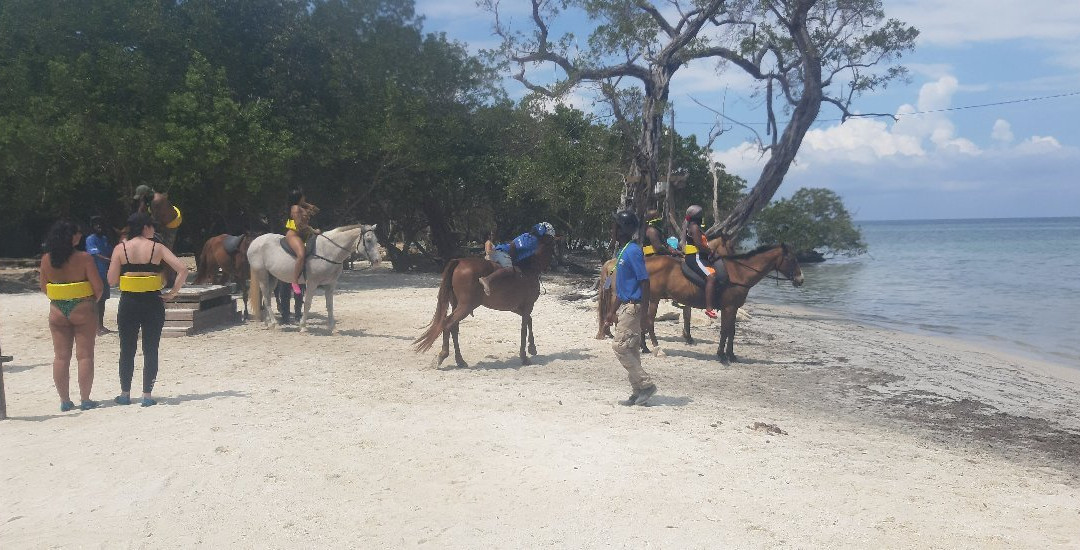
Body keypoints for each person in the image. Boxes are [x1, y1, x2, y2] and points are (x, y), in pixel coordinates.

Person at [107, 212, 189, 407]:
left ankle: (125, 394)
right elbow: (183, 269)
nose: (154, 229)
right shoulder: (157, 248)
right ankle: (147, 395)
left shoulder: (120, 248)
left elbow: (111, 281)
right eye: (152, 226)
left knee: (127, 349)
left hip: (128, 302)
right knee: (151, 349)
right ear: (145, 227)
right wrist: (173, 293)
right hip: (153, 301)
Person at [40, 220, 104, 412]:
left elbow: (44, 288)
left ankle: (65, 401)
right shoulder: (84, 258)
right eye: (77, 233)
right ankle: (85, 400)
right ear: (70, 237)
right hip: (82, 307)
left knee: (61, 357)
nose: (80, 236)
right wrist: (90, 303)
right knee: (84, 356)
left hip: (57, 309)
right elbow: (98, 288)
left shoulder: (46, 259)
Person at [603, 210, 657, 406]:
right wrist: (612, 311)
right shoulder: (623, 251)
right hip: (625, 305)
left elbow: (644, 281)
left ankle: (646, 384)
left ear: (622, 229)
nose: (612, 230)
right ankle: (638, 391)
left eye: (615, 226)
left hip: (634, 307)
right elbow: (623, 286)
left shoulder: (633, 251)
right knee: (631, 349)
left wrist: (645, 314)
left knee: (620, 347)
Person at [478, 222, 554, 296]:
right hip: (503, 252)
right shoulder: (533, 241)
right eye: (549, 237)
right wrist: (512, 260)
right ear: (543, 235)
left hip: (502, 251)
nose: (549, 240)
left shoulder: (528, 236)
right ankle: (487, 279)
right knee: (509, 269)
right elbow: (513, 245)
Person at [683, 205, 719, 319]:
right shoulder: (694, 227)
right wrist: (710, 251)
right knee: (711, 277)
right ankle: (709, 308)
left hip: (699, 256)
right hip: (695, 257)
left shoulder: (694, 226)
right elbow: (699, 244)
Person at [284, 188, 319, 296]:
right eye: (302, 196)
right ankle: (294, 281)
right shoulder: (295, 208)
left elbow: (317, 211)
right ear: (298, 198)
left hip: (305, 235)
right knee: (301, 254)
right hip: (294, 234)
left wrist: (306, 204)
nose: (304, 198)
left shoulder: (302, 207)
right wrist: (314, 230)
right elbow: (299, 224)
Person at [85, 216, 113, 334]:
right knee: (96, 300)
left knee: (103, 300)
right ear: (92, 226)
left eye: (100, 223)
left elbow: (110, 251)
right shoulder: (90, 239)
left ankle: (100, 325)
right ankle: (95, 326)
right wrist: (111, 260)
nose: (99, 226)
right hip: (95, 274)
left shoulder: (105, 239)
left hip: (104, 273)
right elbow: (95, 254)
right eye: (96, 224)